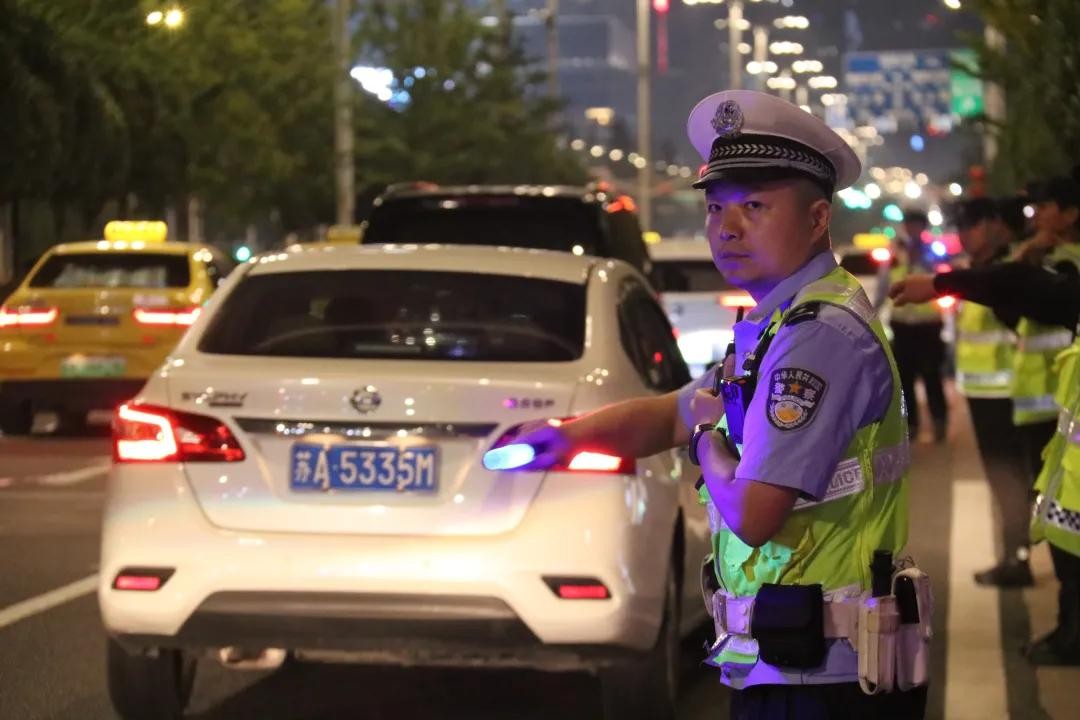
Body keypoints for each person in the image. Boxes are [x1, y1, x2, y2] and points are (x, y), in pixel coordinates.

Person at [515, 90, 926, 719]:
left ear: (818, 218)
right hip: (796, 662)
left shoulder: (817, 336)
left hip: (824, 680)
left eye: (754, 207)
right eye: (715, 208)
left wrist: (707, 440)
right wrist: (562, 436)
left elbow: (755, 514)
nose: (726, 228)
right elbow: (671, 412)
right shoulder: (780, 325)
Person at [951, 198, 1034, 586]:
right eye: (961, 228)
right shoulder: (977, 272)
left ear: (995, 225)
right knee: (1005, 479)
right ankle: (1015, 554)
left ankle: (1017, 559)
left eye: (972, 226)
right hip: (984, 394)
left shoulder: (1005, 273)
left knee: (1011, 478)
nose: (965, 235)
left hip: (1008, 394)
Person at [881, 210, 948, 442]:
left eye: (917, 225)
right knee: (905, 378)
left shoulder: (933, 252)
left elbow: (944, 279)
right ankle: (911, 425)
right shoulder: (895, 253)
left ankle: (939, 421)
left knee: (932, 375)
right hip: (902, 324)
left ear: (924, 227)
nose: (913, 229)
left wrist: (922, 259)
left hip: (928, 324)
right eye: (910, 225)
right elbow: (883, 285)